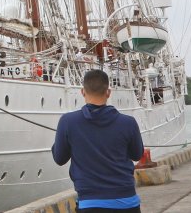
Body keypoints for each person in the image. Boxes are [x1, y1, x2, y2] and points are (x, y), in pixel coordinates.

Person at [51, 69, 144, 213]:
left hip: (91, 203)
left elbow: (59, 158)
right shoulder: (128, 123)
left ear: (83, 92)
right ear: (108, 92)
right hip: (128, 203)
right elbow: (137, 155)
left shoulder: (68, 122)